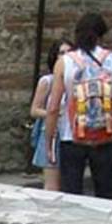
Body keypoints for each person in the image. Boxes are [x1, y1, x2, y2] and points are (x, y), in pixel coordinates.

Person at [45, 13, 112, 197]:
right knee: (105, 192)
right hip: (104, 136)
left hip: (71, 137)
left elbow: (53, 108)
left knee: (71, 193)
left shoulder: (65, 62)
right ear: (102, 35)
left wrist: (49, 141)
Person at [29, 39, 71, 191]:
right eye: (62, 53)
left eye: (69, 52)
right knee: (52, 184)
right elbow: (34, 110)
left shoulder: (74, 80)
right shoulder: (47, 81)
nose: (66, 56)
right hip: (52, 133)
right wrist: (52, 113)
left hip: (69, 134)